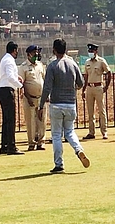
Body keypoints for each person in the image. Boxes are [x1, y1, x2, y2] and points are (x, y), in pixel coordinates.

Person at [37, 38, 90, 173]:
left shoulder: (53, 66)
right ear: (65, 49)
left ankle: (59, 164)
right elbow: (80, 82)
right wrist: (73, 88)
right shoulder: (73, 64)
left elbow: (47, 87)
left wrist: (41, 105)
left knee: (56, 135)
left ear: (54, 50)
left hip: (56, 104)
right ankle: (78, 150)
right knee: (70, 131)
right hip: (71, 103)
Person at [0, 41, 24, 155]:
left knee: (6, 120)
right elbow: (10, 77)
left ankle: (5, 145)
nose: (17, 52)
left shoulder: (5, 59)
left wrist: (17, 77)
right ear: (14, 50)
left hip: (3, 90)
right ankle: (11, 146)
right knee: (11, 119)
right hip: (7, 90)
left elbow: (9, 74)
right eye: (16, 50)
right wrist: (20, 86)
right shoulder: (9, 60)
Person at [18, 45, 46, 151]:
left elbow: (44, 79)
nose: (36, 54)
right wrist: (28, 97)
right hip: (30, 98)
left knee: (41, 120)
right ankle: (31, 143)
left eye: (37, 52)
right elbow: (22, 84)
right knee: (30, 121)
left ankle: (41, 142)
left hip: (41, 97)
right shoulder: (23, 67)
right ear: (29, 54)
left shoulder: (40, 65)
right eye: (34, 52)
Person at [82, 43, 111, 140]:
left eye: (92, 51)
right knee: (90, 112)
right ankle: (91, 132)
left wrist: (106, 86)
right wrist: (84, 89)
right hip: (89, 88)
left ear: (96, 51)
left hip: (99, 87)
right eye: (89, 51)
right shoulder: (87, 62)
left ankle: (104, 132)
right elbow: (86, 77)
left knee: (101, 111)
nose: (90, 53)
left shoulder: (101, 61)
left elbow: (108, 72)